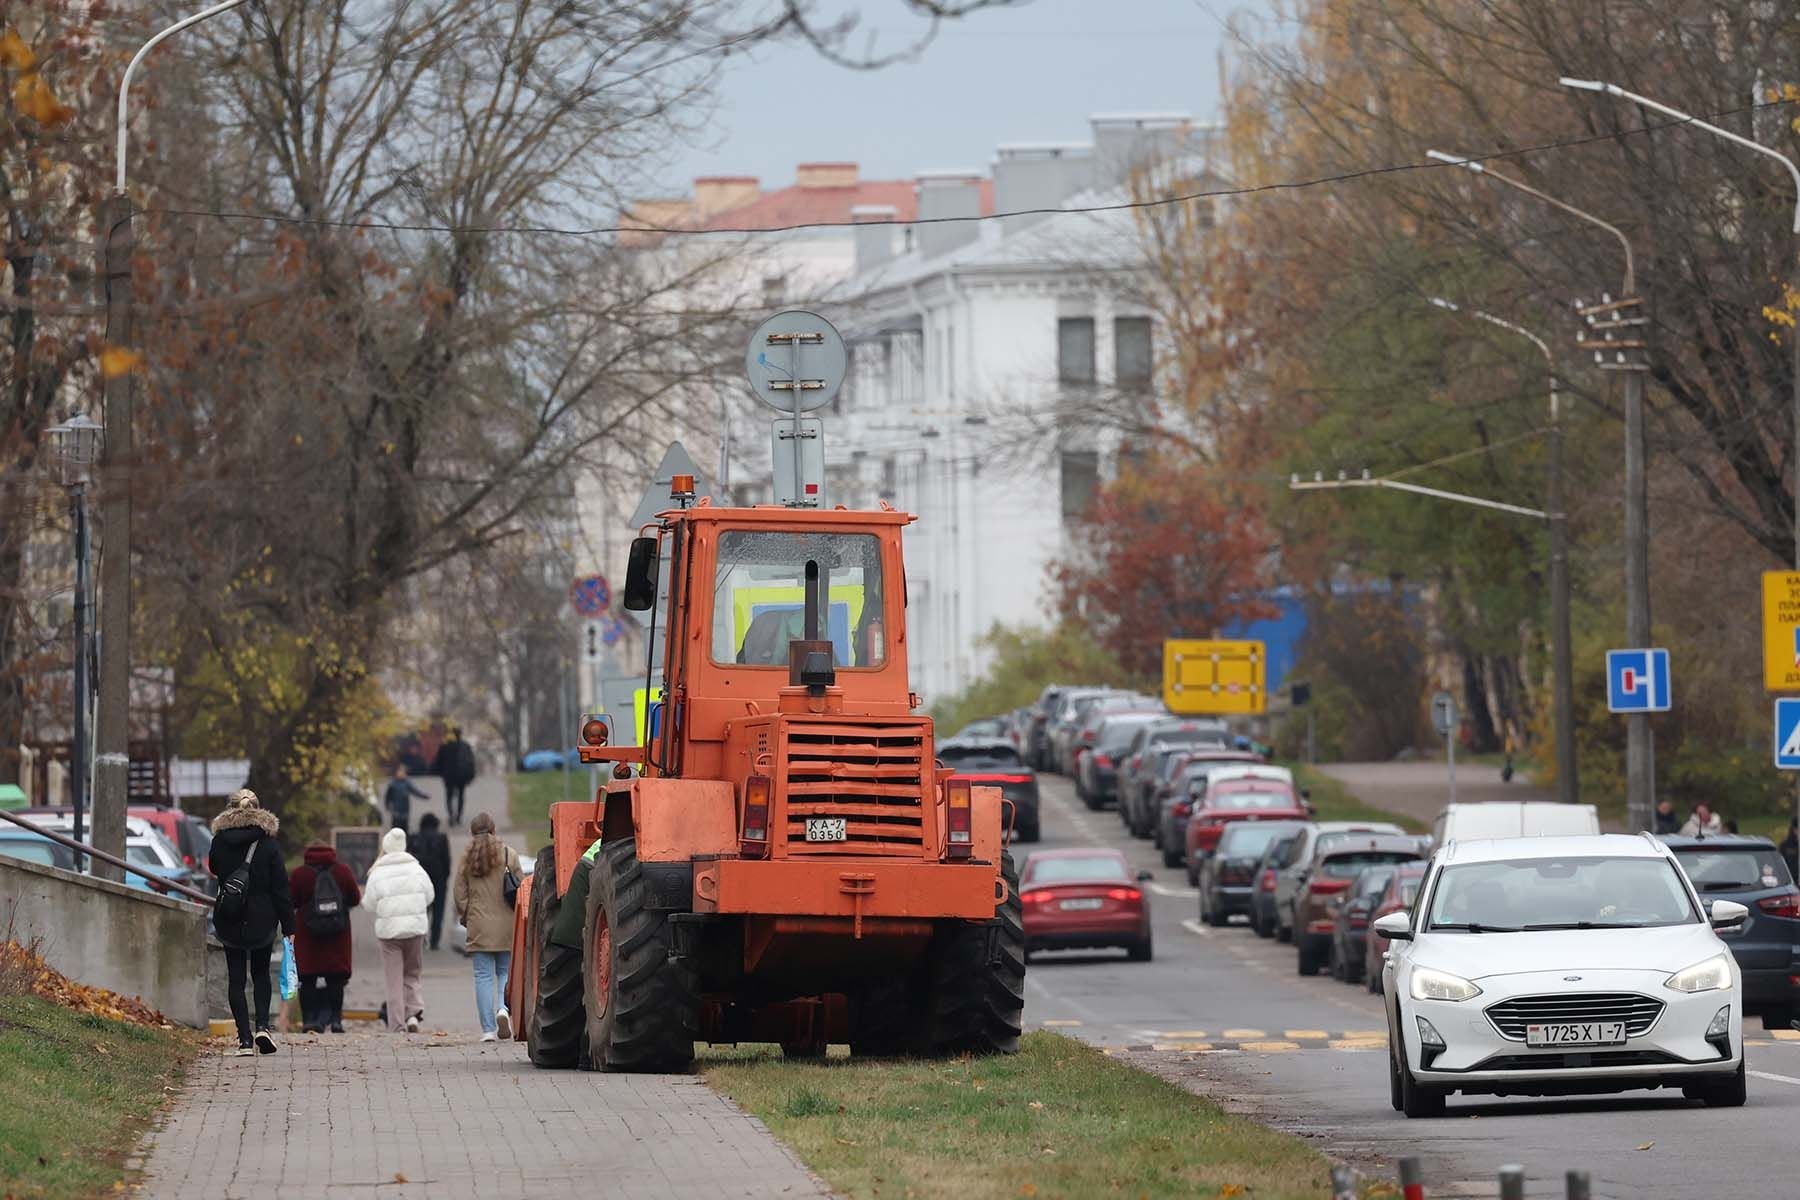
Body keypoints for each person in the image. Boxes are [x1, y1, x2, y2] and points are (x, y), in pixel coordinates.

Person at [208, 789, 295, 1057]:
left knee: (236, 978)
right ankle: (262, 1029)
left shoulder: (220, 841)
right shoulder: (268, 844)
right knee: (260, 975)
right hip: (262, 917)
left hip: (230, 916)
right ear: (258, 811)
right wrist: (289, 926)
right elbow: (281, 888)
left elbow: (214, 868)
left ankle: (244, 1040)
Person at [454, 812, 521, 1042]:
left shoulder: (466, 858)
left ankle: (488, 1030)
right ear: (494, 830)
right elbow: (521, 889)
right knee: (505, 972)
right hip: (506, 924)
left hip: (478, 924)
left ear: (472, 833)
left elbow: (459, 893)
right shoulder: (508, 854)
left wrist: (466, 917)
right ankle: (503, 1008)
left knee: (482, 976)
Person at [361, 826, 434, 1032]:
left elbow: (369, 904)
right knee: (412, 973)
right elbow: (430, 896)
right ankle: (414, 1013)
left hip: (389, 932)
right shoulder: (417, 869)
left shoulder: (378, 872)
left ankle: (397, 1024)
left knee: (393, 979)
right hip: (415, 929)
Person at [289, 840, 361, 1033]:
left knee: (308, 980)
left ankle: (309, 1021)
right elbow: (355, 898)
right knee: (335, 980)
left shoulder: (299, 874)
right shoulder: (343, 871)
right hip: (337, 933)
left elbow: (291, 900)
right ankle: (336, 1020)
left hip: (308, 935)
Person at [410, 813, 453, 950]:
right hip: (438, 879)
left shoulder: (414, 838)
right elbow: (447, 860)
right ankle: (435, 941)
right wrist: (446, 876)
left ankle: (421, 938)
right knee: (438, 911)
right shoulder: (441, 838)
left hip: (419, 880)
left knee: (421, 910)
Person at [433, 727, 477, 827]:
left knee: (449, 795)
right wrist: (471, 776)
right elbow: (471, 762)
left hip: (449, 775)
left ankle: (451, 815)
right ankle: (458, 816)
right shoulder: (465, 746)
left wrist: (439, 773)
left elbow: (439, 762)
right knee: (461, 795)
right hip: (462, 775)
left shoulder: (445, 746)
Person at [383, 764, 429, 835]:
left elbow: (415, 791)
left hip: (405, 808)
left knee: (404, 826)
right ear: (396, 773)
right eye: (401, 772)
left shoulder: (407, 783)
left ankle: (405, 840)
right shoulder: (393, 784)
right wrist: (387, 805)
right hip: (396, 809)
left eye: (404, 772)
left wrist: (424, 796)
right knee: (396, 826)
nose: (403, 774)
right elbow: (388, 796)